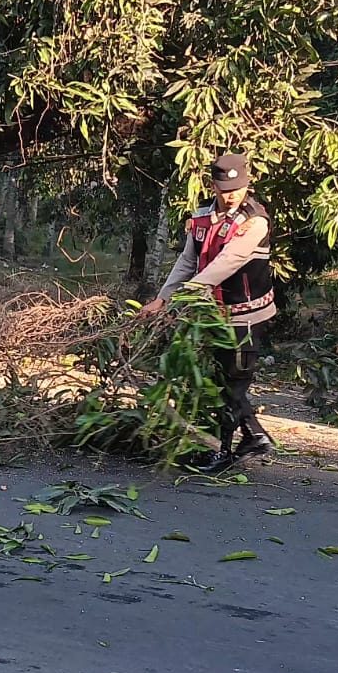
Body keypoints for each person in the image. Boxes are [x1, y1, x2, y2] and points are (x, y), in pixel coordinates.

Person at [142, 153, 278, 476]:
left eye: (237, 187)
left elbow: (228, 262)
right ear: (213, 185)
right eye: (224, 188)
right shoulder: (203, 215)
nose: (230, 194)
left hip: (247, 316)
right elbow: (188, 261)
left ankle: (229, 451)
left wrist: (189, 294)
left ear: (247, 184)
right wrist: (162, 299)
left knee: (233, 382)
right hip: (214, 314)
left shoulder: (255, 220)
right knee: (221, 380)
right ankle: (255, 437)